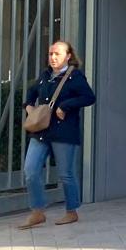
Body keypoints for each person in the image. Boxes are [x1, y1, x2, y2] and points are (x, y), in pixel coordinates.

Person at [17, 40, 96, 229]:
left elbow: (89, 97)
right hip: (42, 131)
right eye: (51, 53)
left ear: (68, 56)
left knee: (66, 174)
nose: (53, 57)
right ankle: (37, 212)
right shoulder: (45, 75)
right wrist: (28, 105)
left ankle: (71, 211)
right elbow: (32, 90)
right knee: (30, 170)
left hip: (64, 131)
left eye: (57, 54)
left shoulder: (74, 77)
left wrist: (65, 106)